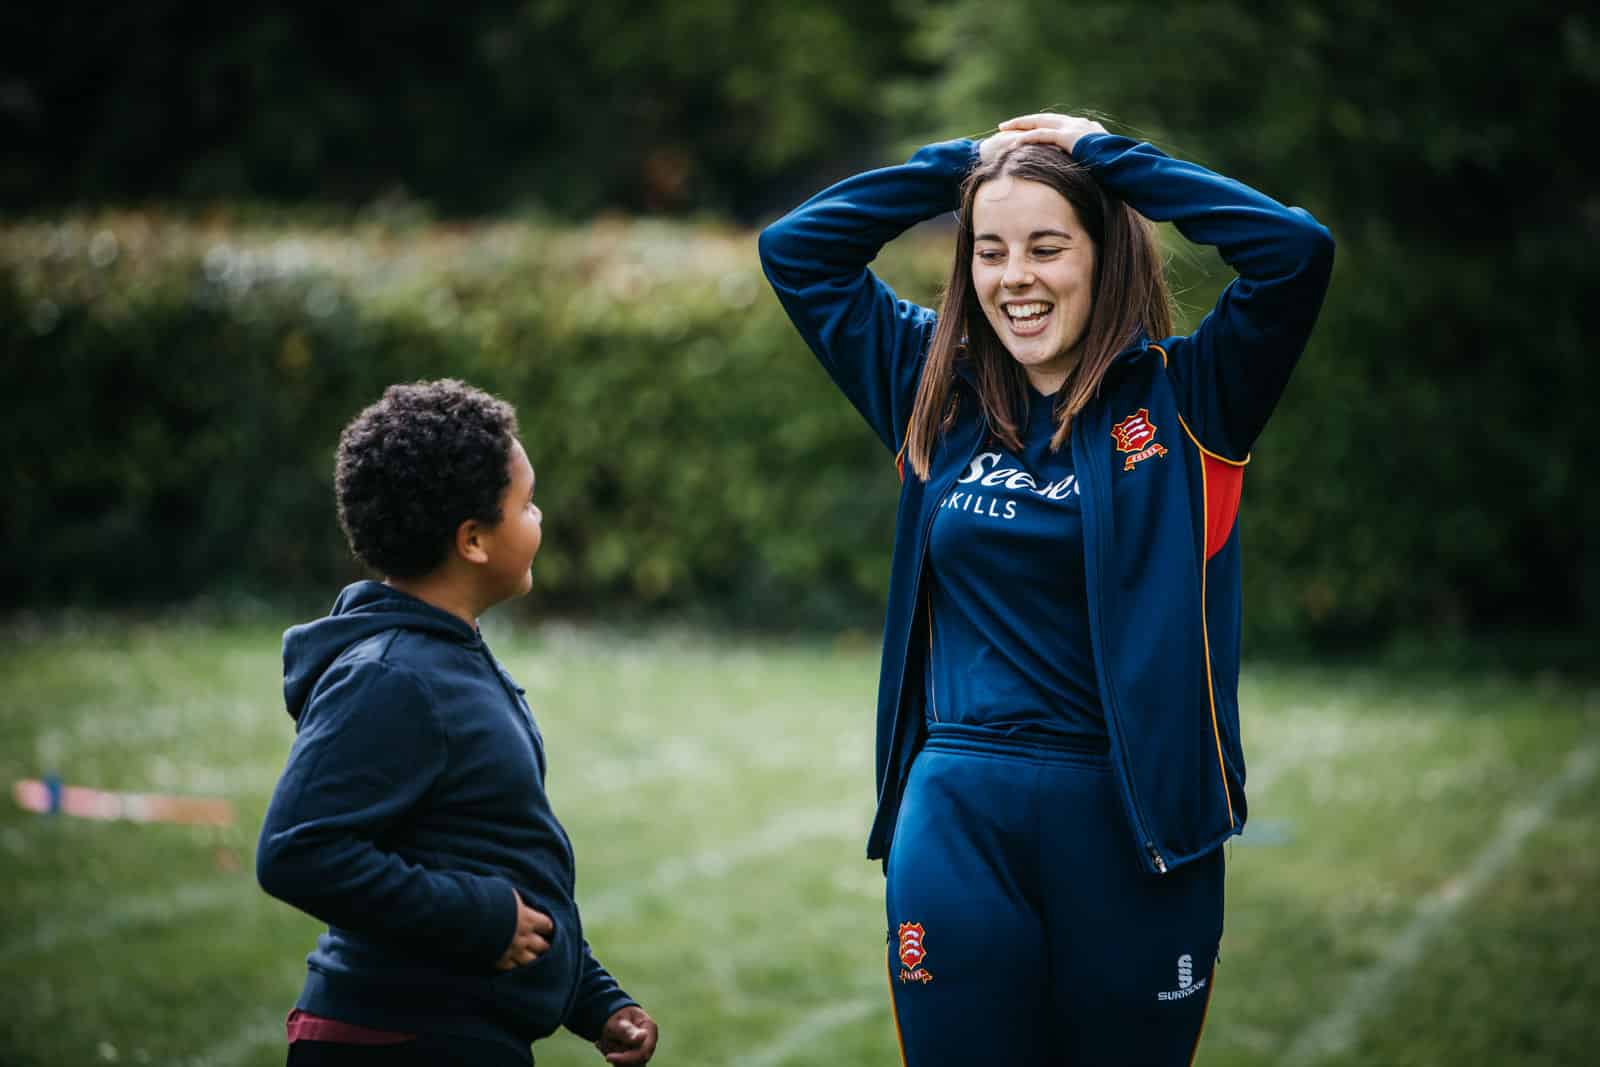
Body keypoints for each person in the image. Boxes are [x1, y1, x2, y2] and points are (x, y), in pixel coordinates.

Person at [758, 113, 1333, 1063]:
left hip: (1134, 827)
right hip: (957, 822)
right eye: (988, 250)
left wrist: (1110, 158)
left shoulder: (1194, 399)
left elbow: (1295, 254)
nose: (1012, 277)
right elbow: (797, 252)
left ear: (1104, 257)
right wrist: (965, 165)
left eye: (1045, 247)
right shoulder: (929, 386)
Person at [256, 379, 659, 1067]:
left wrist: (596, 999)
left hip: (467, 1031)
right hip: (397, 1039)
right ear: (472, 539)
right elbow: (296, 849)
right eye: (525, 503)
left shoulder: (450, 658)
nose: (541, 516)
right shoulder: (391, 677)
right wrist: (479, 917)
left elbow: (498, 854)